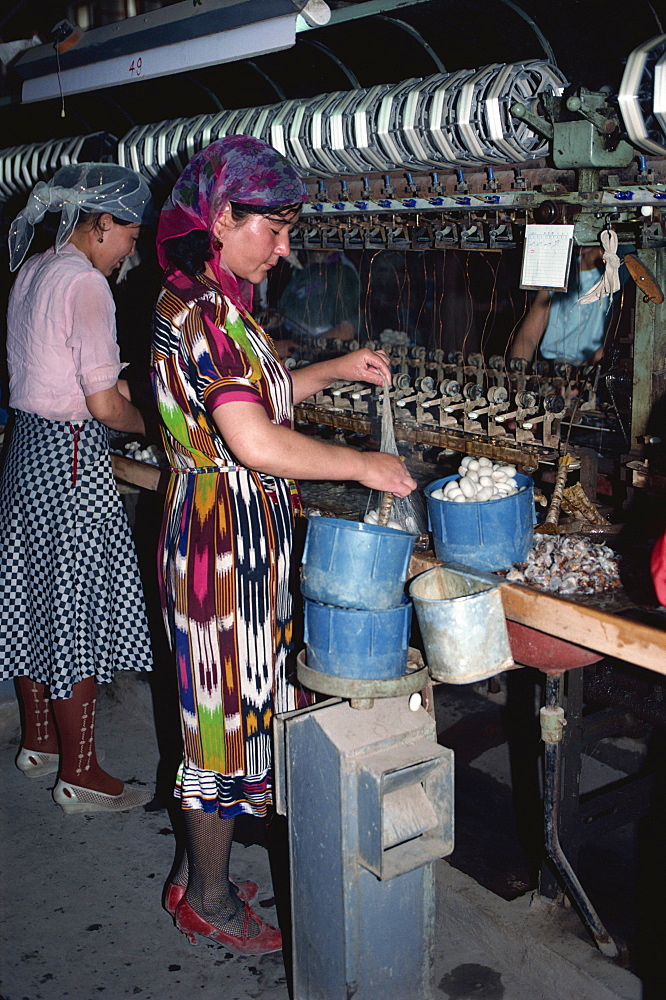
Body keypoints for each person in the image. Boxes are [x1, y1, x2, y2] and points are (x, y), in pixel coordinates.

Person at [152, 135, 415, 956]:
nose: (287, 247)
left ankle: (205, 870)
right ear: (223, 218)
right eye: (275, 228)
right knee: (219, 725)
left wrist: (338, 366)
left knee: (229, 712)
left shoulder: (218, 302)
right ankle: (207, 900)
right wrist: (368, 464)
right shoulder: (201, 315)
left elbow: (260, 395)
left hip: (235, 536)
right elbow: (257, 441)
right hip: (217, 544)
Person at [0, 163, 154, 814]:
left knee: (35, 597)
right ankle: (81, 773)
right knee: (75, 611)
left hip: (25, 451)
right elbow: (99, 403)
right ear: (101, 224)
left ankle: (39, 744)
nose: (132, 250)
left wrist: (114, 389)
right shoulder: (87, 286)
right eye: (129, 236)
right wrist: (149, 424)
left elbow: (52, 370)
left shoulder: (36, 269)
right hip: (68, 459)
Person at [510, 245, 628, 366]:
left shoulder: (619, 276)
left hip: (593, 368)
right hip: (552, 369)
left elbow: (615, 340)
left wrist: (584, 375)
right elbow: (528, 336)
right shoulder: (558, 273)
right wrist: (518, 372)